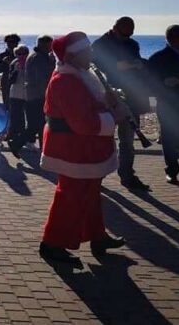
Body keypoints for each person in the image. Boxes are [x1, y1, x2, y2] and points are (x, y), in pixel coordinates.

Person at [38, 32, 128, 264]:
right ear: (73, 55)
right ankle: (51, 243)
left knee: (90, 193)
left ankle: (97, 236)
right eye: (86, 52)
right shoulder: (65, 81)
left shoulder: (81, 76)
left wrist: (108, 100)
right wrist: (113, 117)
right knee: (70, 196)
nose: (91, 55)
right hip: (71, 150)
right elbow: (83, 122)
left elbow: (90, 106)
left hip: (83, 149)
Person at [92, 16, 151, 191]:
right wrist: (119, 67)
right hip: (106, 96)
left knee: (127, 141)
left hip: (130, 95)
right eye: (124, 35)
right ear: (115, 28)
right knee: (102, 138)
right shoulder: (100, 45)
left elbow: (136, 66)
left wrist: (137, 65)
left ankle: (127, 176)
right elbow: (94, 70)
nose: (126, 38)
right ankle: (95, 175)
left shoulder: (132, 44)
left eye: (129, 35)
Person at [148, 25, 179, 184]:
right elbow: (149, 82)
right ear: (170, 39)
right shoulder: (158, 58)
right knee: (168, 136)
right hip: (167, 103)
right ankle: (172, 171)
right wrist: (164, 83)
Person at [24, 35, 55, 148]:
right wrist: (48, 94)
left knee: (36, 123)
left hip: (34, 95)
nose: (52, 47)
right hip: (38, 95)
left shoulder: (40, 57)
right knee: (40, 123)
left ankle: (40, 145)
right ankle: (43, 147)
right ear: (44, 45)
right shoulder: (38, 58)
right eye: (51, 45)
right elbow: (42, 78)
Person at [7, 44, 30, 157]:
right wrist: (16, 70)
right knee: (16, 117)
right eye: (19, 54)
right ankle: (13, 137)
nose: (21, 56)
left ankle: (21, 138)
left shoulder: (30, 63)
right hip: (15, 93)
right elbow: (10, 80)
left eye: (24, 53)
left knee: (28, 118)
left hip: (28, 94)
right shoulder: (14, 63)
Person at [0, 34, 21, 108]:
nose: (11, 44)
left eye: (13, 42)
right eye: (8, 42)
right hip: (6, 82)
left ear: (17, 43)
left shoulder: (21, 55)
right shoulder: (1, 56)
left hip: (19, 83)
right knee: (7, 105)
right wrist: (4, 63)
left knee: (19, 107)